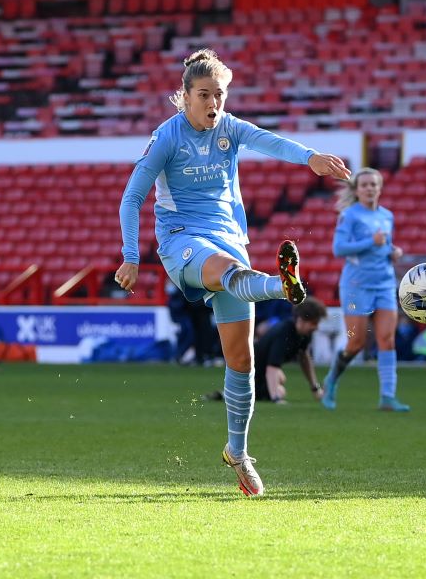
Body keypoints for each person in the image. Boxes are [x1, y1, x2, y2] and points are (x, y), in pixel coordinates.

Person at [115, 48, 351, 497]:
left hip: (228, 240)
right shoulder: (167, 137)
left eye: (218, 94)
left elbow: (271, 140)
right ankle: (280, 286)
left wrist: (311, 158)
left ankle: (238, 453)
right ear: (184, 97)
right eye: (203, 94)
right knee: (227, 271)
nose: (213, 103)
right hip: (182, 240)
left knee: (242, 361)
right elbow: (131, 197)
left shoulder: (229, 128)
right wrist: (131, 255)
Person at [321, 168, 409, 412]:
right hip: (356, 285)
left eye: (374, 184)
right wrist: (373, 242)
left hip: (384, 282)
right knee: (355, 342)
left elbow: (384, 244)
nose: (370, 188)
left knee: (387, 340)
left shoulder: (387, 216)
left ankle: (388, 396)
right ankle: (331, 381)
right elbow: (339, 249)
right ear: (357, 190)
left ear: (380, 188)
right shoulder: (349, 216)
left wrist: (393, 251)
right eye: (365, 185)